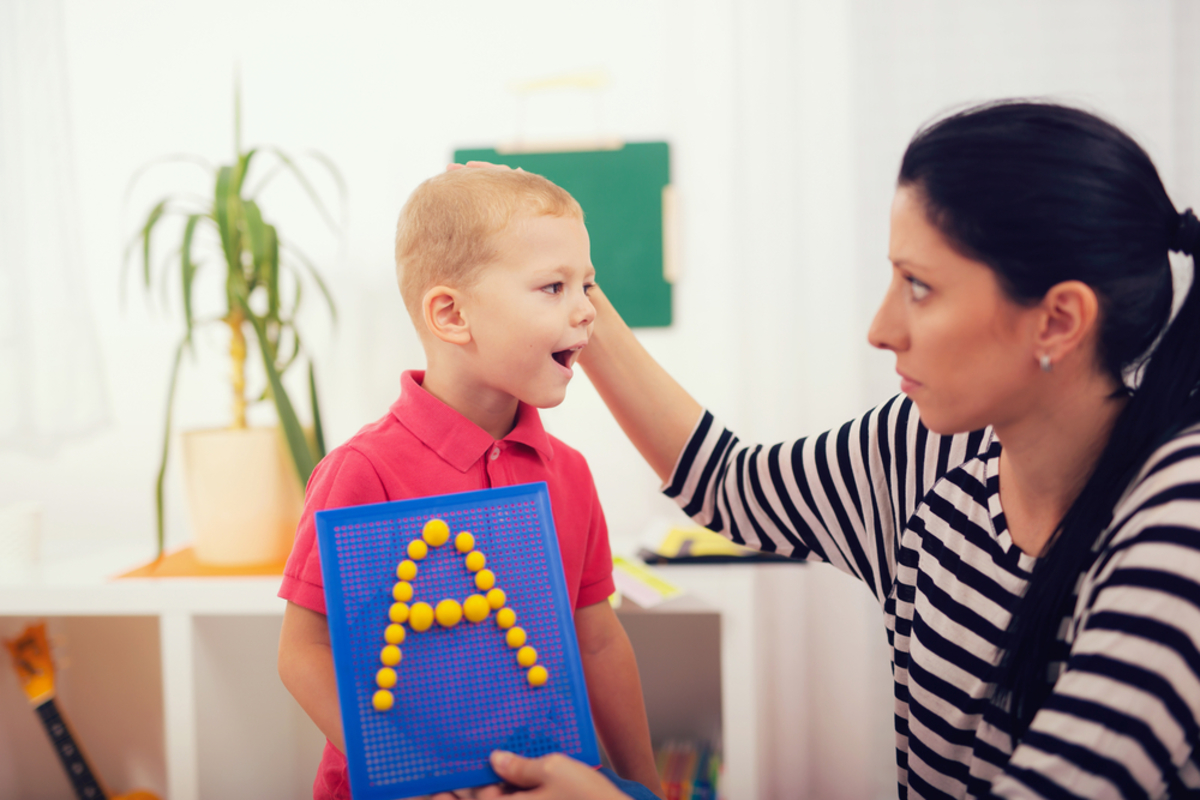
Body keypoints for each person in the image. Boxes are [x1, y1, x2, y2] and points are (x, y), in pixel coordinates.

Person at [471, 99, 1200, 799]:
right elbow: (731, 485)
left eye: (918, 286)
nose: (880, 328)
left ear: (1058, 320)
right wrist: (573, 294)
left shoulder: (1178, 516)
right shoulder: (930, 452)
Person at [275, 168, 663, 799]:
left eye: (586, 284)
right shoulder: (362, 470)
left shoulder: (568, 473)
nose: (588, 309)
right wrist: (411, 771)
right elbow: (304, 651)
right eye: (553, 286)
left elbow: (597, 643)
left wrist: (641, 788)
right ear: (452, 314)